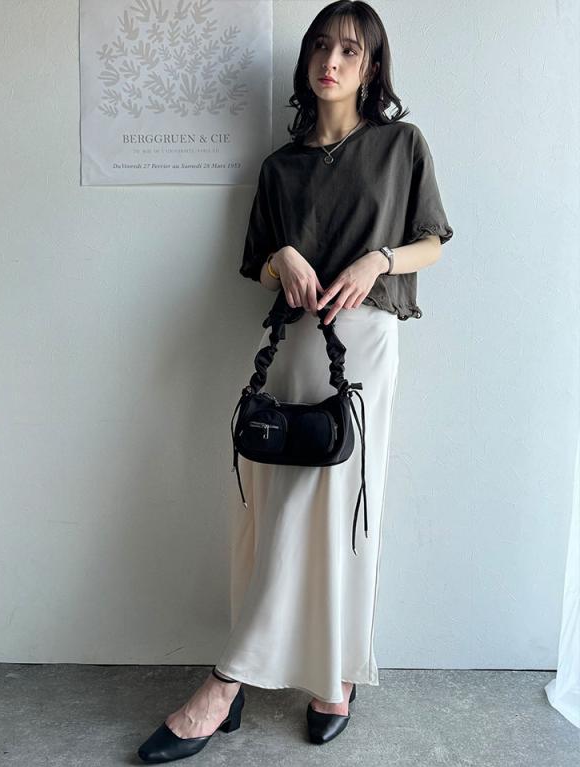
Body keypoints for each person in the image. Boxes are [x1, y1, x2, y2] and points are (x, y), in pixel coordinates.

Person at [136, 1, 454, 762]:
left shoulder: (400, 144)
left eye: (349, 51)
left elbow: (433, 242)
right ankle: (310, 675)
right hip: (289, 346)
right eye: (320, 47)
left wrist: (379, 259)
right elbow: (257, 265)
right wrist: (283, 256)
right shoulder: (280, 167)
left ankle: (238, 683)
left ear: (371, 68)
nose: (330, 62)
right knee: (278, 508)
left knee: (340, 509)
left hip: (363, 347)